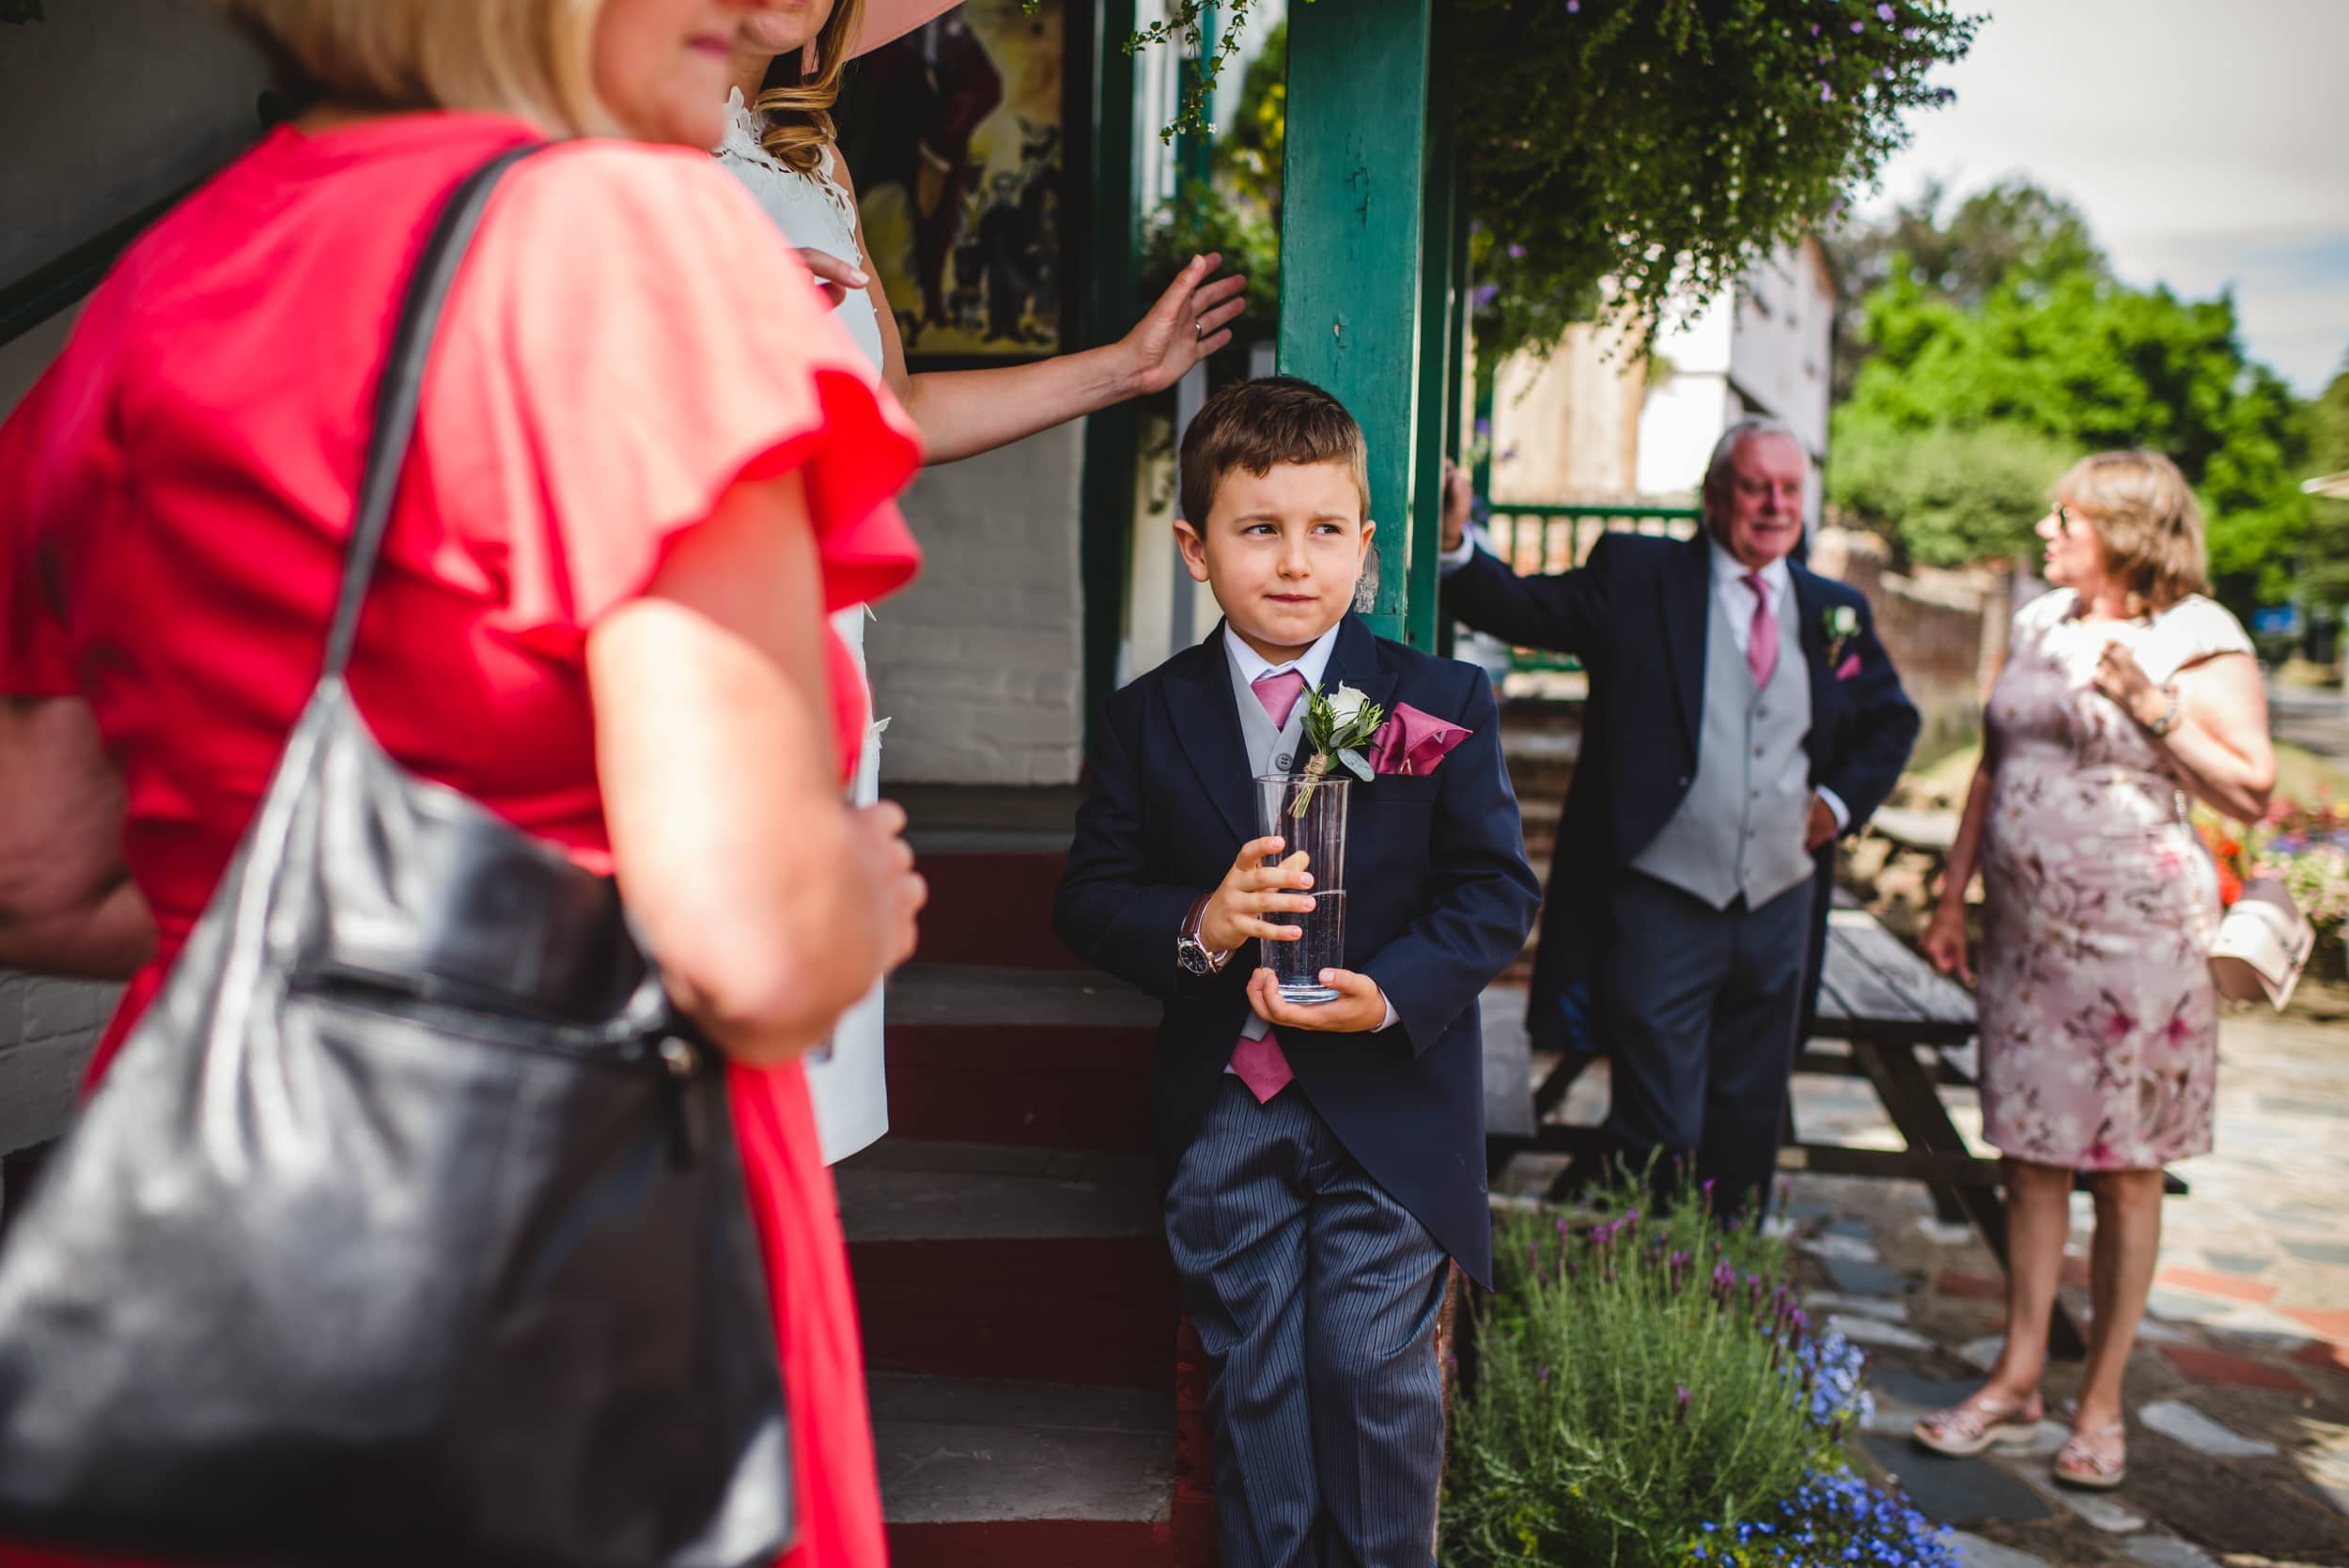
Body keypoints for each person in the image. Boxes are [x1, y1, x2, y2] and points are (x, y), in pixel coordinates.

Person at [0, 1, 926, 1564]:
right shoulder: (628, 240)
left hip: (211, 1263)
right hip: (570, 1296)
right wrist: (852, 887)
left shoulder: (164, 278)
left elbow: (39, 868)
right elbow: (754, 950)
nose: (769, 12)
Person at [715, 0, 1246, 1161]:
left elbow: (892, 411)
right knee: (697, 1090)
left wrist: (1127, 370)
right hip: (695, 645)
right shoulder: (608, 149)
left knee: (799, 1114)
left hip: (822, 643)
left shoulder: (813, 157)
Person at [1054, 377, 1541, 1568]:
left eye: (1325, 530)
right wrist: (1205, 924)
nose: (1292, 561)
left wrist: (1397, 989)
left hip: (1389, 1111)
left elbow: (1495, 892)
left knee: (1369, 1370)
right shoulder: (1143, 720)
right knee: (1256, 1373)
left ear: (1366, 545)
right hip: (1229, 1106)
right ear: (1194, 547)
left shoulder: (1438, 699)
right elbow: (1088, 900)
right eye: (1256, 529)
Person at [1439, 419, 1921, 1221]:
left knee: (1749, 1115)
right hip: (1661, 895)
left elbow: (1891, 722)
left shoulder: (1833, 609)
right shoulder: (1639, 575)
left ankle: (1723, 1285)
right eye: (1756, 486)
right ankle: (1644, 1268)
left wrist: (1838, 803)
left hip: (1782, 902)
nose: (1774, 505)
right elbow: (1522, 608)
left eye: (1790, 489)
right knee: (1657, 1119)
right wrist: (1456, 545)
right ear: (1715, 495)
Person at [1912, 451, 2274, 1491]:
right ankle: (2018, 1373)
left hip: (2142, 953)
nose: (2043, 528)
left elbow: (2251, 789)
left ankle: (2101, 1396)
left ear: (2124, 527)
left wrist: (2152, 706)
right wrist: (1951, 896)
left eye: (2063, 514)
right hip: (2028, 946)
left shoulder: (2198, 636)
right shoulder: (2039, 624)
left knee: (2124, 1172)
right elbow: (1995, 762)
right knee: (2028, 1157)